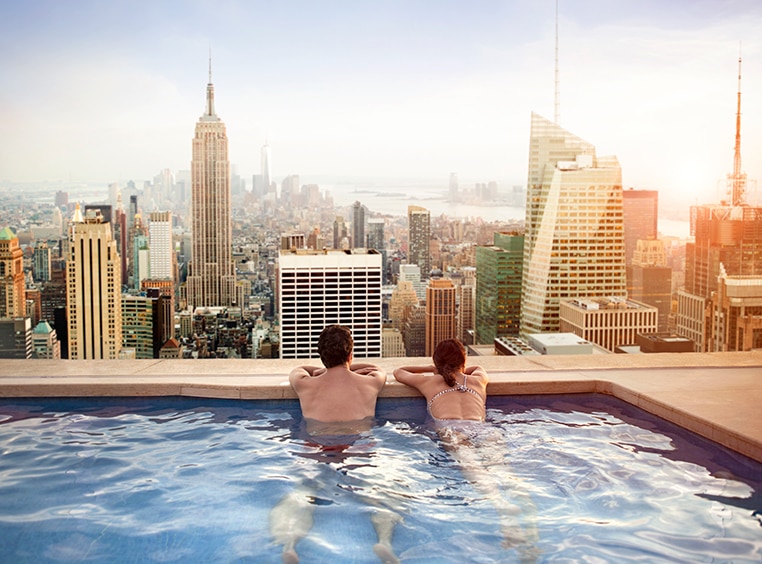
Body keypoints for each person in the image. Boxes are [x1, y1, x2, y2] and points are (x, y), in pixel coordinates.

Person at [394, 339, 539, 562]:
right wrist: (457, 369)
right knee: (506, 474)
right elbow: (479, 367)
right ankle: (531, 530)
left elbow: (399, 372)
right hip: (484, 429)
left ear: (437, 363)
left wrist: (435, 370)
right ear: (464, 361)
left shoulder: (430, 383)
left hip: (453, 431)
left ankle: (502, 510)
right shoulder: (478, 380)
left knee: (477, 475)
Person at [270, 325, 400, 564]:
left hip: (315, 448)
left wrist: (321, 370)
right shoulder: (370, 383)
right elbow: (377, 369)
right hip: (357, 448)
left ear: (321, 356)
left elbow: (298, 370)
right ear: (351, 354)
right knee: (381, 496)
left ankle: (290, 545)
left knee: (301, 495)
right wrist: (348, 367)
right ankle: (383, 541)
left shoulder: (305, 384)